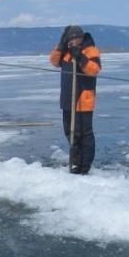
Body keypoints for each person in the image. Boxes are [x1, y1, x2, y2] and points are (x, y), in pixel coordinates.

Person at [50, 25, 102, 174]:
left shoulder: (91, 50)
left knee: (84, 134)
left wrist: (80, 56)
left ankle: (84, 167)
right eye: (71, 38)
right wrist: (61, 44)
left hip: (83, 101)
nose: (74, 40)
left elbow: (94, 70)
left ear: (81, 37)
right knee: (70, 132)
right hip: (67, 99)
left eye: (76, 37)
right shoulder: (65, 52)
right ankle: (76, 162)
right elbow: (54, 61)